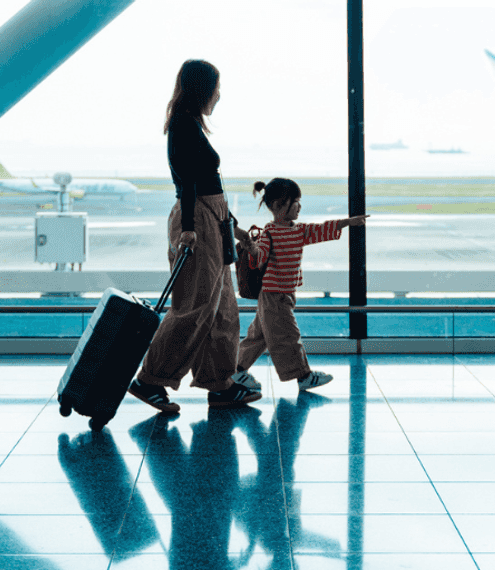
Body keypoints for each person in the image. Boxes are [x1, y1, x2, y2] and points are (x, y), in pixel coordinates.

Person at [128, 59, 261, 413]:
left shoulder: (192, 126)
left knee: (222, 308)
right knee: (194, 306)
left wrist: (232, 226)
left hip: (211, 217)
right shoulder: (184, 126)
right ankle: (150, 380)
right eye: (216, 86)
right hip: (197, 221)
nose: (219, 94)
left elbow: (208, 183)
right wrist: (188, 228)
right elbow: (187, 183)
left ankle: (220, 383)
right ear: (203, 88)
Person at [234, 178, 368, 391]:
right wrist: (251, 248)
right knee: (288, 336)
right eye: (295, 201)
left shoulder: (298, 230)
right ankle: (303, 376)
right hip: (274, 295)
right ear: (279, 205)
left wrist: (348, 222)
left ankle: (236, 370)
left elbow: (322, 229)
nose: (300, 206)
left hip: (282, 293)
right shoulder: (269, 233)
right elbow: (260, 257)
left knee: (258, 337)